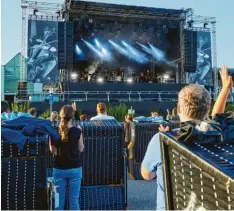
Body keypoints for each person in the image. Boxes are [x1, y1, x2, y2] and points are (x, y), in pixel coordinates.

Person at [141, 84, 212, 210]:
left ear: (178, 108)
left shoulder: (161, 140)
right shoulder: (220, 139)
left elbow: (147, 175)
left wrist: (164, 136)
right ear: (208, 109)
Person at [50, 105, 84, 210]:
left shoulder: (54, 131)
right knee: (74, 201)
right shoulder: (77, 130)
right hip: (75, 169)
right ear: (72, 116)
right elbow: (81, 149)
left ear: (61, 116)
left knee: (58, 202)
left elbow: (52, 150)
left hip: (59, 169)